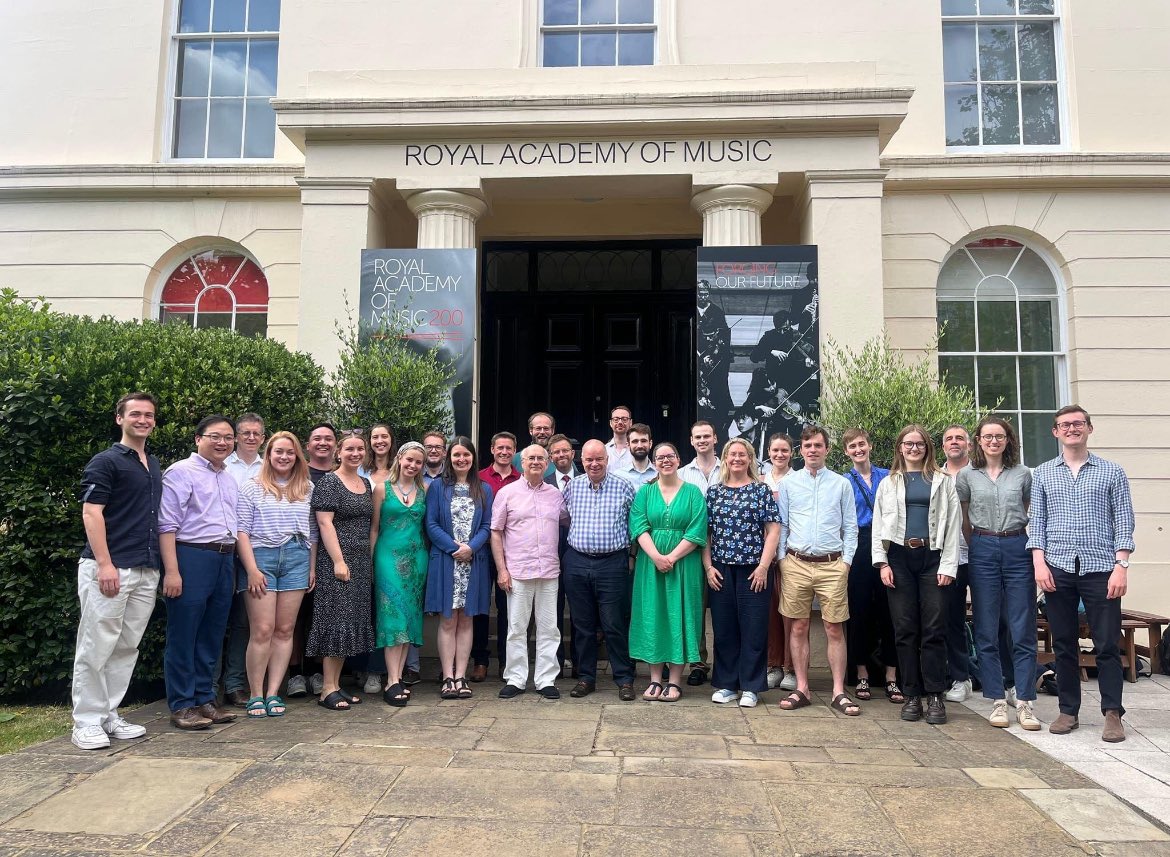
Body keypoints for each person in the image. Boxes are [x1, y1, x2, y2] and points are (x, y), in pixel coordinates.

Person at [1030, 405, 1135, 743]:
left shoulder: (1112, 472)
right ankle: (1068, 709)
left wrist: (1121, 566)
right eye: (1065, 425)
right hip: (1057, 567)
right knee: (1063, 644)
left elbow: (1124, 520)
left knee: (1106, 644)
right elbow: (1038, 523)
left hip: (1101, 568)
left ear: (1089, 428)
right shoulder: (1044, 473)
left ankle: (1112, 713)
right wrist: (1039, 563)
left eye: (1078, 424)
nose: (1071, 429)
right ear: (1055, 432)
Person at [70, 393, 163, 749]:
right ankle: (86, 721)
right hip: (109, 568)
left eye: (149, 415)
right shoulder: (105, 461)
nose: (143, 420)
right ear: (119, 419)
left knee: (126, 647)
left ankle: (108, 714)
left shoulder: (151, 463)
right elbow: (92, 514)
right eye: (135, 414)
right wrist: (105, 564)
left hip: (144, 569)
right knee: (95, 645)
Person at [873, 425, 961, 725]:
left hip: (932, 558)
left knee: (934, 629)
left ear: (927, 447)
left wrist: (948, 565)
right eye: (908, 444)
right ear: (900, 448)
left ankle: (935, 694)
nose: (914, 448)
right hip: (898, 557)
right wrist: (882, 563)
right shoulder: (889, 483)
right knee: (905, 629)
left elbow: (953, 524)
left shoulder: (943, 481)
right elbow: (878, 526)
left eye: (919, 444)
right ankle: (911, 695)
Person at [957, 417, 1040, 731]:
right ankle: (995, 698)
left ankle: (1025, 701)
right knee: (986, 626)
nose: (994, 441)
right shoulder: (966, 476)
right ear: (978, 440)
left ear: (1008, 440)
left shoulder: (1023, 474)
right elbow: (964, 519)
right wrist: (979, 543)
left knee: (1022, 625)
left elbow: (1028, 510)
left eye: (1000, 436)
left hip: (1017, 545)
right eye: (988, 436)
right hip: (982, 546)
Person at [159, 415, 240, 730]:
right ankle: (181, 705)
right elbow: (167, 524)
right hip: (191, 556)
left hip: (224, 558)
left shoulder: (229, 478)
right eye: (215, 436)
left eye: (228, 437)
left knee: (212, 633)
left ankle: (204, 699)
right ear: (198, 439)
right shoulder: (181, 472)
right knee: (184, 633)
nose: (222, 442)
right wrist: (172, 571)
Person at [777, 427, 859, 715]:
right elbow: (782, 525)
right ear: (801, 450)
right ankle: (802, 687)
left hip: (832, 564)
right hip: (796, 563)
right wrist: (782, 561)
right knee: (798, 626)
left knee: (834, 627)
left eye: (818, 445)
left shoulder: (841, 484)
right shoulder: (789, 484)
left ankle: (838, 691)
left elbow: (851, 527)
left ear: (827, 449)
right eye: (808, 445)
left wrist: (846, 562)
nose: (812, 450)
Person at [235, 431, 316, 719]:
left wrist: (312, 566)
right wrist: (252, 570)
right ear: (268, 454)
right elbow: (241, 532)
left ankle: (273, 692)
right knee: (263, 630)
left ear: (297, 457)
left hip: (297, 558)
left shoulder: (306, 488)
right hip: (262, 559)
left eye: (290, 452)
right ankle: (255, 694)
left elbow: (313, 533)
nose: (284, 457)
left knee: (285, 630)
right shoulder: (251, 487)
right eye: (278, 451)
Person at [704, 438, 780, 708]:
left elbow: (773, 531)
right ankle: (726, 685)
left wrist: (762, 566)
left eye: (742, 454)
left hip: (753, 570)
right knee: (724, 629)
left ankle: (750, 686)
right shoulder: (713, 493)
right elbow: (706, 535)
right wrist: (708, 567)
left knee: (754, 629)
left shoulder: (761, 490)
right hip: (721, 570)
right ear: (724, 459)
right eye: (731, 454)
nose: (736, 458)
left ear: (750, 458)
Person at [629, 442, 708, 702]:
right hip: (650, 565)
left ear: (678, 459)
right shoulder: (645, 493)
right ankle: (654, 679)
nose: (666, 460)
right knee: (654, 616)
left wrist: (671, 557)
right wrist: (656, 557)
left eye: (670, 456)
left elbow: (697, 530)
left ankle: (674, 681)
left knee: (679, 615)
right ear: (654, 461)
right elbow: (639, 526)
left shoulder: (694, 492)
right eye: (660, 457)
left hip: (684, 565)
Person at [563, 439, 638, 700]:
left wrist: (631, 555)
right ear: (581, 461)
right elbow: (565, 519)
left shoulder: (624, 486)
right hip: (577, 561)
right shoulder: (572, 487)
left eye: (599, 459)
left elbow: (635, 524)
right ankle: (586, 678)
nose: (594, 464)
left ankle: (624, 678)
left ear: (607, 460)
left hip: (612, 563)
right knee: (582, 625)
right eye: (588, 460)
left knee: (614, 623)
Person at [307, 430, 375, 711]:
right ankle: (326, 689)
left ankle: (336, 685)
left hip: (360, 561)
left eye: (360, 449)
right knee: (335, 621)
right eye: (350, 449)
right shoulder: (329, 483)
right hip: (337, 561)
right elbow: (325, 524)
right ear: (339, 452)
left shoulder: (365, 483)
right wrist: (338, 560)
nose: (355, 453)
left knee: (349, 623)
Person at [492, 444, 566, 700]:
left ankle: (546, 679)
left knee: (549, 628)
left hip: (548, 571)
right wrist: (502, 569)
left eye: (540, 458)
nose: (536, 462)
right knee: (516, 628)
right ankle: (516, 678)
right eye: (530, 458)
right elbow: (496, 531)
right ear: (521, 463)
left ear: (548, 464)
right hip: (518, 572)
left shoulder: (556, 495)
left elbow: (567, 522)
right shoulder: (507, 493)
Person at [425, 436, 494, 700]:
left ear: (473, 458)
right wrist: (455, 548)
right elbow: (431, 524)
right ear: (448, 458)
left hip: (473, 563)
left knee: (466, 620)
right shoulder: (437, 488)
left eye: (466, 455)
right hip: (446, 561)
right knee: (447, 620)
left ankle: (461, 676)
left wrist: (471, 548)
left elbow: (488, 526)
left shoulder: (484, 489)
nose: (461, 459)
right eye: (456, 455)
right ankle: (447, 676)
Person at [842, 428, 900, 705]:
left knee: (891, 612)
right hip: (860, 544)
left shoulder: (889, 476)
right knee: (859, 612)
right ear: (846, 451)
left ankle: (891, 676)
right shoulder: (844, 481)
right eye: (852, 446)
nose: (858, 449)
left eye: (861, 444)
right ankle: (861, 673)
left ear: (870, 446)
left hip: (889, 544)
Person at [370, 441, 429, 707]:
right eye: (409, 460)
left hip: (416, 561)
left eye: (418, 462)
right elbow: (374, 529)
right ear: (400, 459)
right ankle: (392, 680)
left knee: (409, 618)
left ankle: (398, 677)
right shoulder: (382, 488)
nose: (413, 465)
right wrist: (371, 562)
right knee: (392, 617)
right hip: (387, 559)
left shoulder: (425, 489)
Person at [288, 422, 338, 698]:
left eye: (328, 439)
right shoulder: (298, 473)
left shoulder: (341, 475)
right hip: (300, 553)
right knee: (296, 617)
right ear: (307, 446)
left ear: (335, 445)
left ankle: (319, 672)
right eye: (317, 438)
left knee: (325, 616)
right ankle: (295, 673)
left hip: (332, 556)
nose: (323, 443)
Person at [220, 413, 266, 708]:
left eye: (256, 433)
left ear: (263, 437)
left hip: (256, 554)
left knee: (243, 624)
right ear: (236, 437)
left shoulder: (269, 466)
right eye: (245, 433)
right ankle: (209, 686)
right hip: (223, 549)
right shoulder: (222, 464)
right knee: (215, 621)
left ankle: (236, 684)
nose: (251, 438)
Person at [473, 431, 521, 681]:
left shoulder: (521, 479)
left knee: (507, 609)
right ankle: (480, 661)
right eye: (500, 447)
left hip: (509, 553)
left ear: (515, 451)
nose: (504, 452)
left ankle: (506, 661)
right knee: (481, 608)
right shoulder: (478, 479)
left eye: (509, 448)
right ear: (492, 449)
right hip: (481, 552)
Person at [679, 421, 721, 688]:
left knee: (723, 611)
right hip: (693, 550)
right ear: (691, 441)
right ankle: (698, 662)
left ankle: (726, 661)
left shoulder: (728, 468)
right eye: (698, 437)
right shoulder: (682, 474)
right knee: (695, 608)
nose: (703, 440)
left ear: (715, 438)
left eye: (707, 436)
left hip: (727, 549)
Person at [359, 422, 396, 693]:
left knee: (384, 612)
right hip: (359, 544)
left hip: (393, 549)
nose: (380, 441)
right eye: (375, 437)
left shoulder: (400, 470)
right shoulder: (360, 469)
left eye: (384, 436)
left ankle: (376, 670)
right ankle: (358, 668)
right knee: (362, 609)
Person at [761, 432, 797, 692]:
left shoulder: (798, 480)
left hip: (791, 555)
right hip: (764, 557)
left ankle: (791, 668)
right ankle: (773, 665)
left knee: (791, 614)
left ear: (791, 453)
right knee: (770, 613)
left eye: (784, 450)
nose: (779, 455)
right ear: (769, 453)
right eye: (775, 450)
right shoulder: (760, 482)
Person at [545, 433, 578, 676]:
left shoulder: (588, 479)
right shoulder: (544, 483)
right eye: (556, 452)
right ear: (550, 457)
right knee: (552, 613)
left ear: (572, 454)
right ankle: (555, 662)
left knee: (579, 612)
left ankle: (579, 663)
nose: (561, 455)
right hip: (551, 556)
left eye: (565, 451)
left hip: (579, 555)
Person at [696, 279, 734, 432]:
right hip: (698, 358)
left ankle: (719, 423)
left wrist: (714, 353)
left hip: (715, 359)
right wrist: (700, 356)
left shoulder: (717, 312)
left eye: (705, 294)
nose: (703, 297)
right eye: (700, 294)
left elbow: (724, 336)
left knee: (718, 390)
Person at [513, 412, 557, 477]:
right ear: (531, 431)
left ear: (552, 431)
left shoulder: (561, 458)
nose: (542, 432)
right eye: (538, 428)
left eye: (546, 428)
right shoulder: (516, 459)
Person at [605, 406, 634, 473]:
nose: (620, 422)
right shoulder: (604, 450)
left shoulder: (636, 449)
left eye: (624, 419)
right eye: (616, 419)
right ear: (610, 423)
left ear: (630, 422)